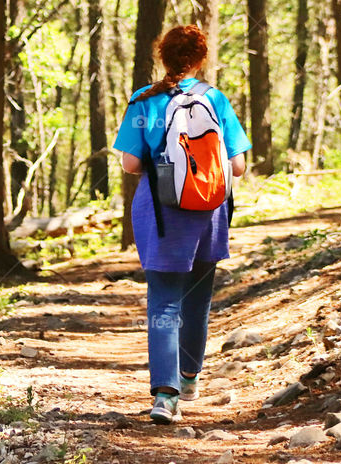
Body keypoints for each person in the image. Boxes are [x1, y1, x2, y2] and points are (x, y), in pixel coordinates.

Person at [112, 25, 251, 424]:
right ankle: (189, 377)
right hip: (209, 211)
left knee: (164, 301)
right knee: (198, 298)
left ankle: (165, 396)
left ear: (163, 57)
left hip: (161, 211)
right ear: (200, 59)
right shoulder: (215, 99)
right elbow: (238, 166)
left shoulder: (144, 99)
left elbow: (130, 163)